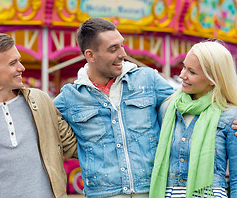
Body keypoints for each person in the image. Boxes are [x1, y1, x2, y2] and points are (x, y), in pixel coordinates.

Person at [53, 17, 175, 198]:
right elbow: (41, 126)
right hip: (102, 193)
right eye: (113, 49)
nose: (123, 54)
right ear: (90, 55)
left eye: (122, 45)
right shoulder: (70, 97)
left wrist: (229, 119)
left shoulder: (148, 79)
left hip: (152, 190)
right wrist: (80, 150)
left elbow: (186, 107)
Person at [0, 33, 77, 198]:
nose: (21, 68)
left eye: (19, 60)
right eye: (13, 63)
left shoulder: (41, 100)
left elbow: (74, 147)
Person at [149, 41, 237, 198]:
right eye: (183, 67)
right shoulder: (167, 108)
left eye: (192, 72)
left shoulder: (230, 116)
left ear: (212, 79)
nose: (182, 75)